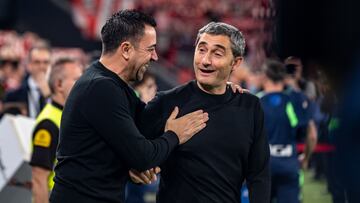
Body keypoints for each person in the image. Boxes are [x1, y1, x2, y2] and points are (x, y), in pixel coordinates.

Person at [50, 9, 209, 203]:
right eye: (150, 49)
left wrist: (206, 87)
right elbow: (143, 156)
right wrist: (174, 135)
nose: (155, 57)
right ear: (126, 49)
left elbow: (147, 119)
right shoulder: (100, 88)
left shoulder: (112, 84)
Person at [132, 22, 270, 203]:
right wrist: (137, 169)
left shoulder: (250, 106)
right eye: (201, 50)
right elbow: (131, 153)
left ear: (235, 62)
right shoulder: (166, 103)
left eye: (217, 53)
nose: (205, 60)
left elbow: (259, 175)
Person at [30, 58, 83, 203]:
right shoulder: (48, 124)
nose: (82, 85)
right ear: (59, 84)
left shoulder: (67, 116)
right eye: (77, 80)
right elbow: (39, 178)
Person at [4, 45, 52, 118]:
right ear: (29, 65)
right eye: (37, 62)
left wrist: (48, 97)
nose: (42, 66)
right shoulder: (12, 96)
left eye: (46, 62)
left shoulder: (58, 94)